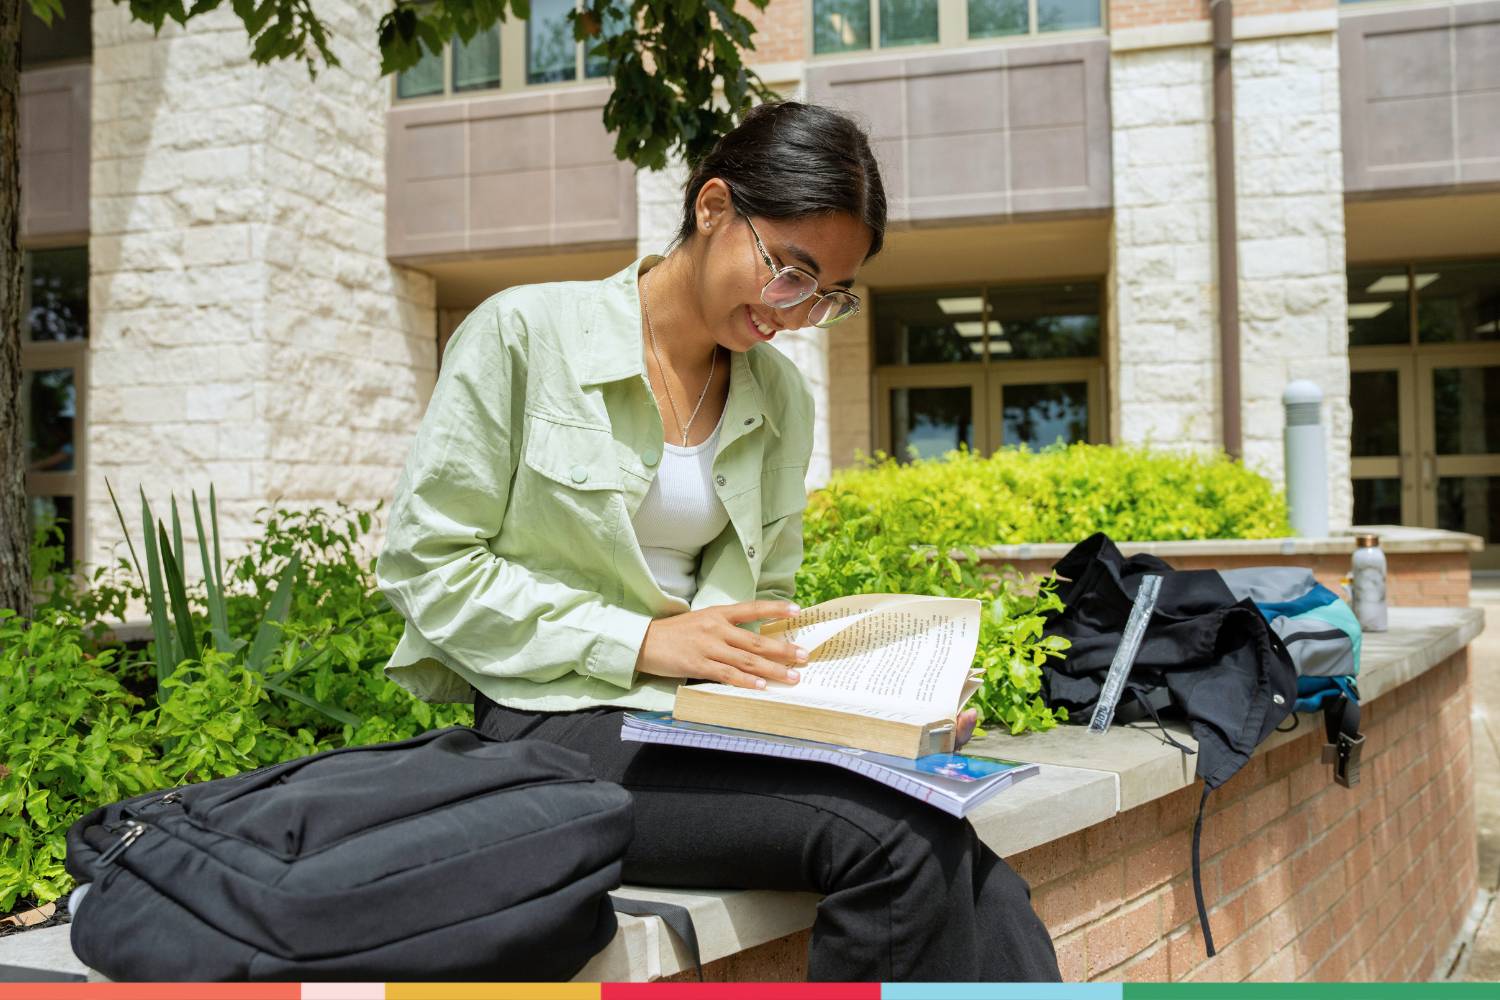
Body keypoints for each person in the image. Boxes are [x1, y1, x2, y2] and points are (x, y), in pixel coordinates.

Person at [375, 101, 1062, 982]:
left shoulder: (779, 399)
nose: (799, 312)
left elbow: (761, 613)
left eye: (829, 296)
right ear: (711, 209)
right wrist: (644, 640)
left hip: (705, 718)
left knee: (964, 858)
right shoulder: (523, 336)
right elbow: (427, 564)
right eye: (790, 272)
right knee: (896, 840)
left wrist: (888, 715)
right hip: (549, 720)